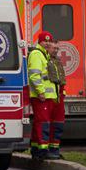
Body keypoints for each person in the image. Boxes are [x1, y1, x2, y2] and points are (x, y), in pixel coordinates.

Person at [27, 31, 58, 161]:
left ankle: (36, 149)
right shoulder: (36, 54)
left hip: (47, 96)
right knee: (43, 123)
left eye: (49, 41)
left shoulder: (44, 55)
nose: (47, 43)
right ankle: (42, 150)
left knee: (41, 122)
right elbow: (34, 75)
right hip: (41, 96)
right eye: (44, 41)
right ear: (39, 42)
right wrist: (40, 92)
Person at [45, 34, 67, 160]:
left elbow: (61, 79)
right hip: (49, 97)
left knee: (58, 124)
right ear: (48, 48)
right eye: (54, 48)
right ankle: (47, 149)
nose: (56, 51)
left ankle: (55, 149)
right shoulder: (45, 60)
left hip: (58, 96)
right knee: (48, 125)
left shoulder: (57, 61)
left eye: (57, 49)